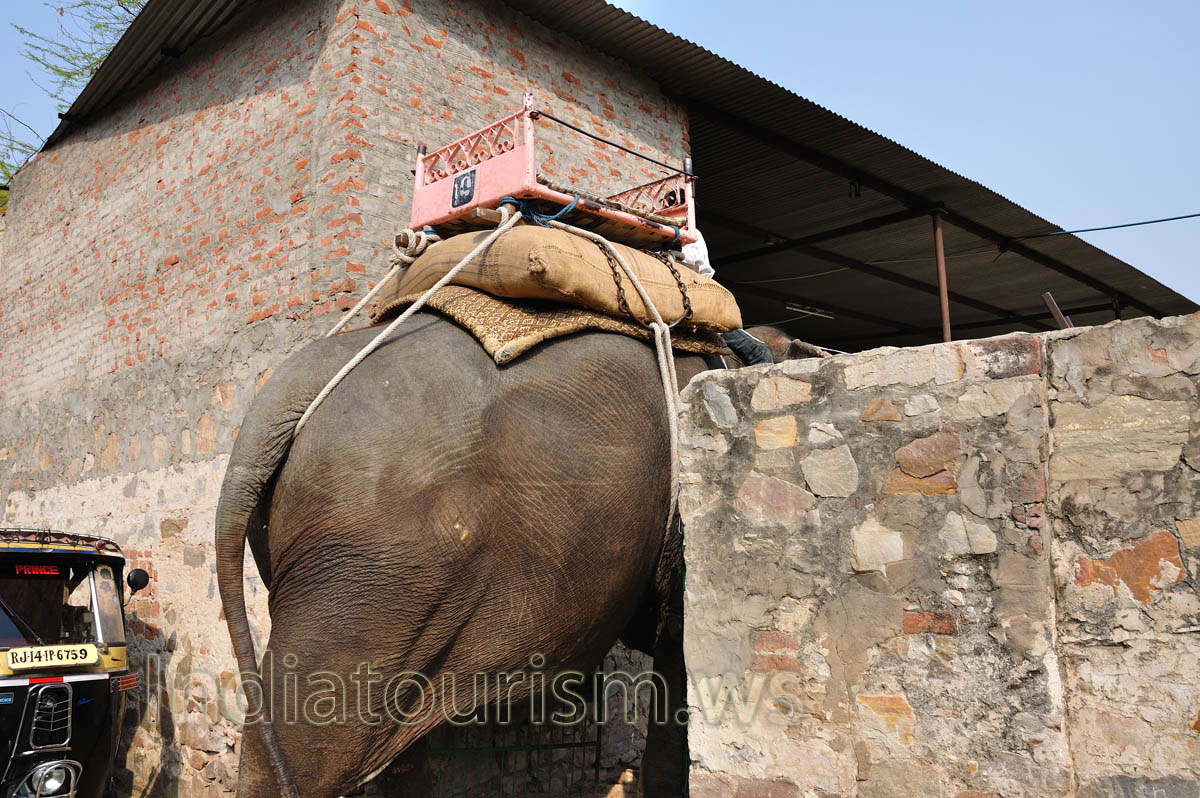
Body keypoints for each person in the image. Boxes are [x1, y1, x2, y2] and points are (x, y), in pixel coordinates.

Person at [680, 229, 774, 365]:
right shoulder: (691, 232)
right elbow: (705, 273)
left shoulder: (648, 230)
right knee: (760, 353)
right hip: (694, 310)